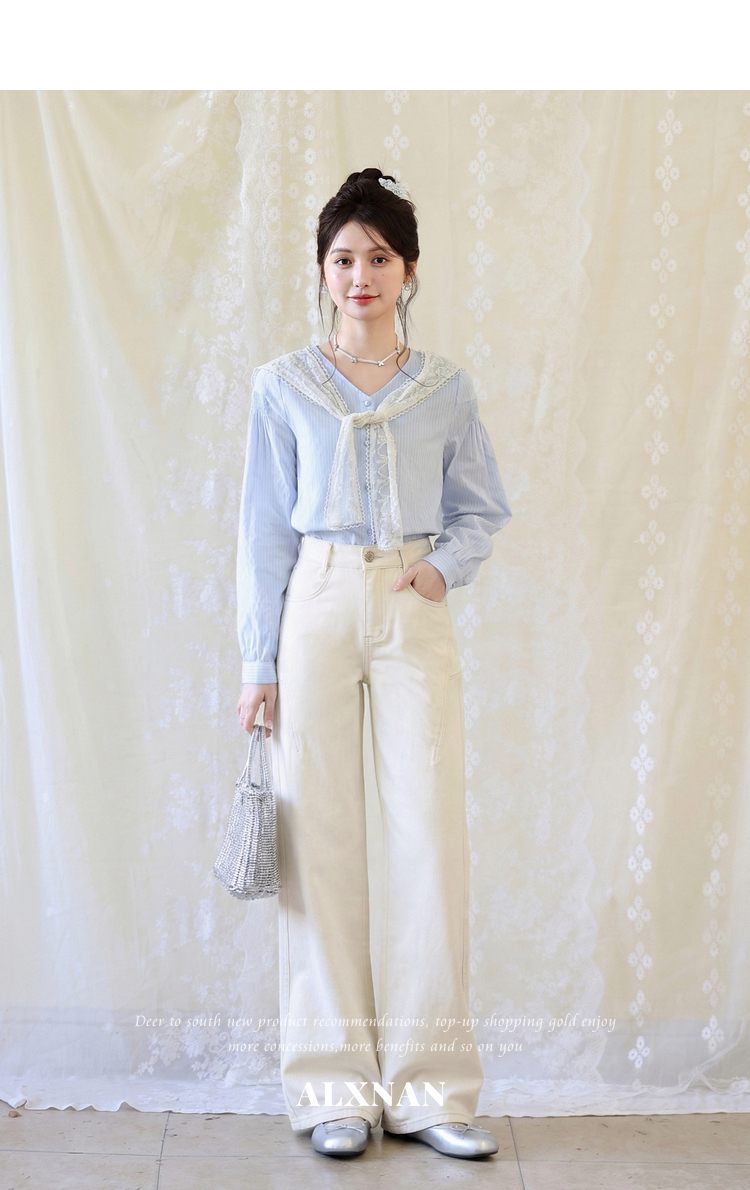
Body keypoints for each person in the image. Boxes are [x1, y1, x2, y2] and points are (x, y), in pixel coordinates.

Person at [235, 168, 512, 1160]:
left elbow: (481, 508)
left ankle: (431, 1089)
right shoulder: (283, 386)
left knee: (428, 835)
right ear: (322, 270)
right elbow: (262, 530)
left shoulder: (445, 389)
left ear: (409, 270)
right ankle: (333, 1089)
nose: (361, 276)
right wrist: (257, 661)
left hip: (409, 602)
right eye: (344, 258)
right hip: (313, 601)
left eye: (380, 257)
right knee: (319, 840)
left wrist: (438, 572)